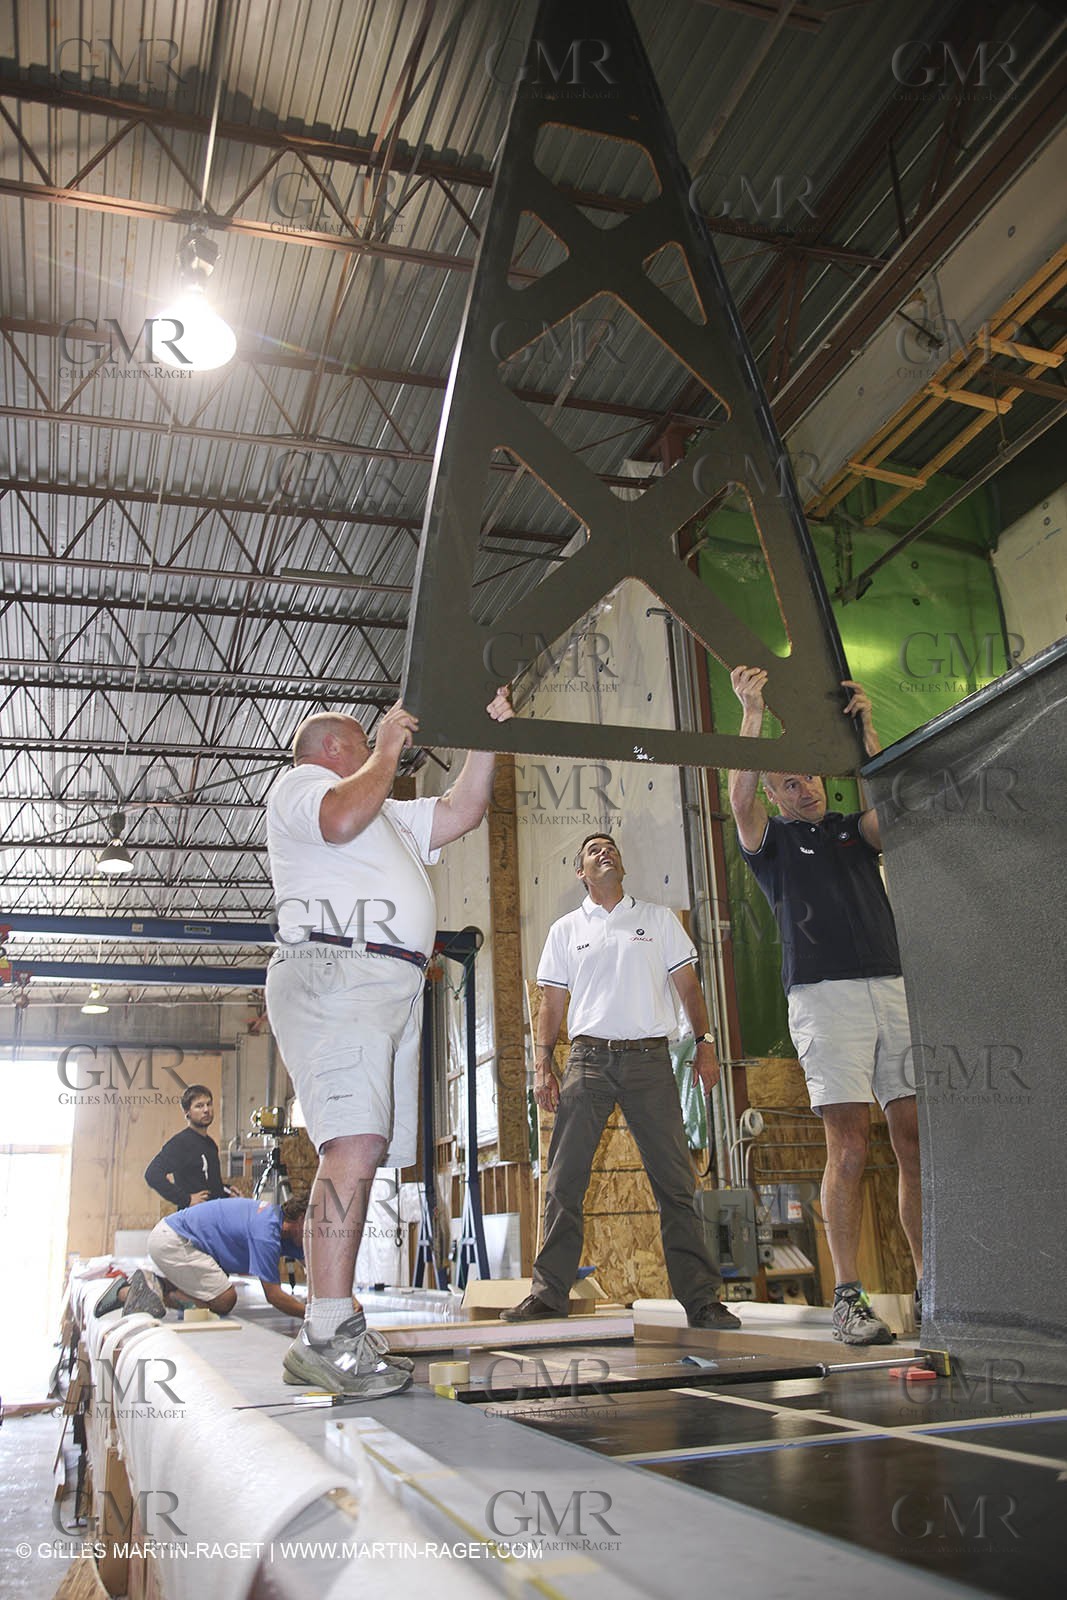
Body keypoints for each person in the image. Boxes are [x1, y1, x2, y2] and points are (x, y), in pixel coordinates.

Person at [265, 690, 513, 1397]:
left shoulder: (390, 813)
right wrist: (386, 750)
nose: (383, 749)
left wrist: (483, 734)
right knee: (351, 1145)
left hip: (385, 982)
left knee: (365, 1148)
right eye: (362, 739)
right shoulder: (303, 787)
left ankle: (333, 1324)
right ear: (335, 748)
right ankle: (326, 1332)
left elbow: (463, 810)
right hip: (334, 968)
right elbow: (341, 817)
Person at [727, 666, 922, 1345]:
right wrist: (750, 714)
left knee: (913, 1139)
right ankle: (847, 1298)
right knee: (846, 1143)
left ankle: (931, 1283)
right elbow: (738, 802)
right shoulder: (771, 845)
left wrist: (863, 732)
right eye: (788, 782)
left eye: (809, 776)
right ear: (776, 796)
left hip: (890, 987)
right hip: (823, 995)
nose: (803, 786)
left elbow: (890, 808)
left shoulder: (849, 830)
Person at [502, 833, 742, 1331]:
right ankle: (548, 1295)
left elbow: (689, 987)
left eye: (610, 846)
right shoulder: (565, 930)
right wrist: (542, 1065)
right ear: (580, 871)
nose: (604, 851)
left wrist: (707, 1043)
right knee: (564, 1181)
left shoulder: (657, 921)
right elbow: (551, 1004)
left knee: (676, 1184)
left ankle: (701, 1301)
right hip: (587, 1062)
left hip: (650, 1064)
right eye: (592, 849)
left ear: (622, 864)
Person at [96, 1195, 308, 1325]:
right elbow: (274, 1296)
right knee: (224, 1299)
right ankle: (129, 1293)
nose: (315, 1236)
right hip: (173, 1241)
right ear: (299, 1220)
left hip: (174, 1237)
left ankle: (143, 1286)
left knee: (216, 1284)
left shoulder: (285, 1231)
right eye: (312, 1228)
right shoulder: (266, 1231)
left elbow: (317, 1269)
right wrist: (311, 1316)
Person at [144, 1084, 231, 1209]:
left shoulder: (210, 1144)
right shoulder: (180, 1143)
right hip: (192, 1219)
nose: (206, 1110)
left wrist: (227, 1192)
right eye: (199, 1106)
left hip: (212, 1217)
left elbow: (209, 1185)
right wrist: (186, 1199)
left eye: (209, 1104)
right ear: (187, 1112)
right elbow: (152, 1174)